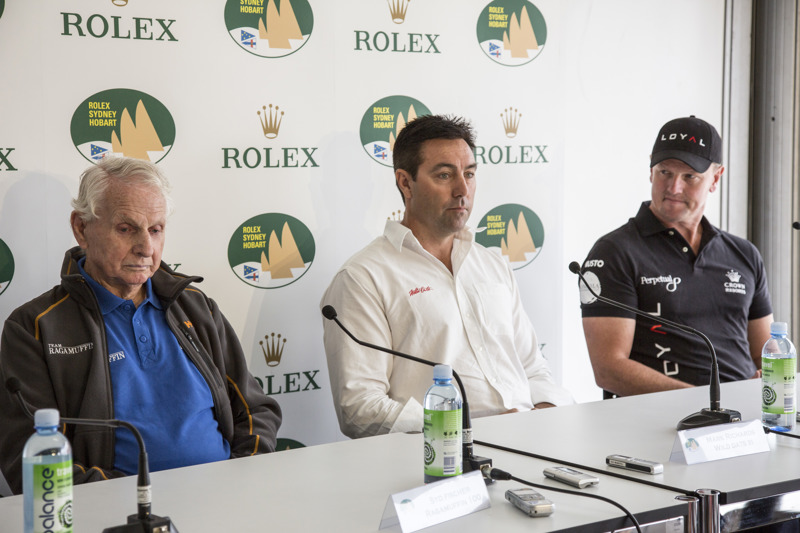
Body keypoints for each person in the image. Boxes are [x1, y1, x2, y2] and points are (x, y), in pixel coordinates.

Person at [0, 157, 282, 494]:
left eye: (156, 229)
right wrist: (140, 501)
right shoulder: (35, 327)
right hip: (118, 519)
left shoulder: (194, 305)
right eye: (126, 228)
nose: (146, 247)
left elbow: (255, 410)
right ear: (81, 228)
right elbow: (33, 462)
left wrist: (238, 477)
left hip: (223, 500)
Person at [321, 114, 573, 439]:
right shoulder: (363, 277)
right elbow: (359, 408)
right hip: (436, 462)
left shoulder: (492, 264)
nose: (462, 190)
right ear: (405, 182)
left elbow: (533, 368)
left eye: (469, 174)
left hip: (530, 445)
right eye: (444, 175)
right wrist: (467, 431)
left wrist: (544, 413)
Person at [579, 115, 773, 397]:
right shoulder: (614, 252)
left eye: (689, 176)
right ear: (650, 171)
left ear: (715, 178)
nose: (673, 188)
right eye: (664, 173)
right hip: (657, 426)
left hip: (742, 424)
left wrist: (771, 379)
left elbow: (766, 352)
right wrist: (708, 406)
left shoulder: (743, 254)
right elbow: (609, 369)